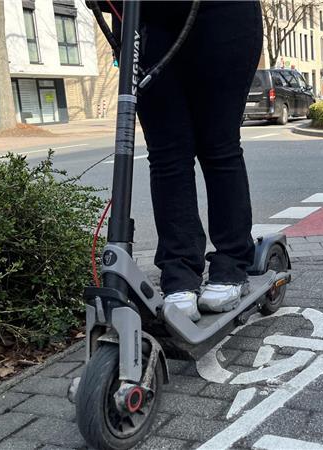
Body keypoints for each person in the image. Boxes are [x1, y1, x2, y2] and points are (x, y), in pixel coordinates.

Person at [137, 1, 262, 321]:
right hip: (146, 15)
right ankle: (178, 273)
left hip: (222, 11)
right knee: (167, 154)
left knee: (218, 145)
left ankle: (232, 264)